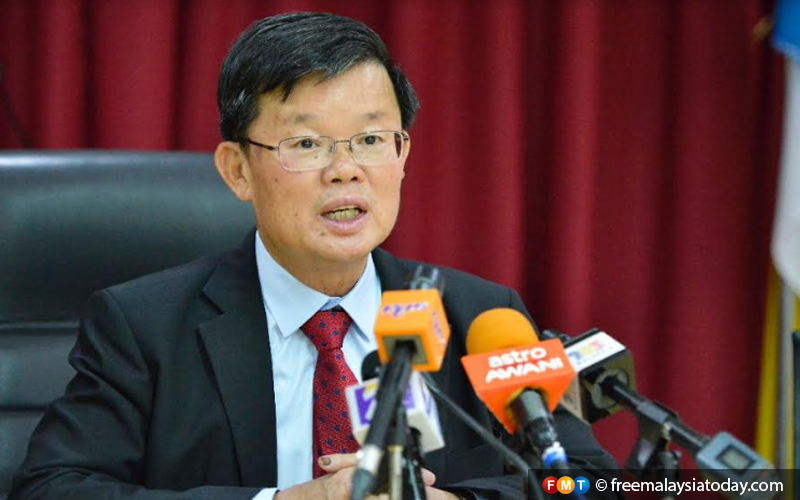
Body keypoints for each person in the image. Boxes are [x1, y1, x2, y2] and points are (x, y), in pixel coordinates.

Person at [9, 12, 620, 500]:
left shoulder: (481, 317)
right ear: (237, 170)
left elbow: (591, 482)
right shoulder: (144, 326)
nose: (345, 170)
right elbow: (52, 489)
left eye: (371, 139)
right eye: (306, 143)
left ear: (402, 156)